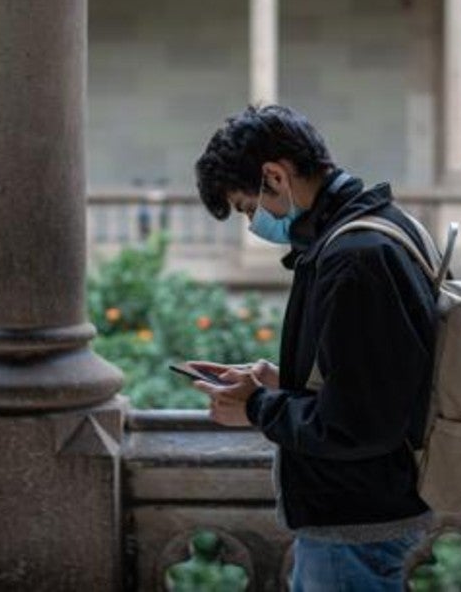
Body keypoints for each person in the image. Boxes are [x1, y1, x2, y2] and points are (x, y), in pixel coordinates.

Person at [188, 105, 439, 591]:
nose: (253, 223)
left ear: (275, 176)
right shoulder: (366, 231)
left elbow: (357, 425)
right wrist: (280, 382)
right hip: (359, 516)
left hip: (354, 524)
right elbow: (374, 381)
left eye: (247, 207)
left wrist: (256, 407)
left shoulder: (355, 257)